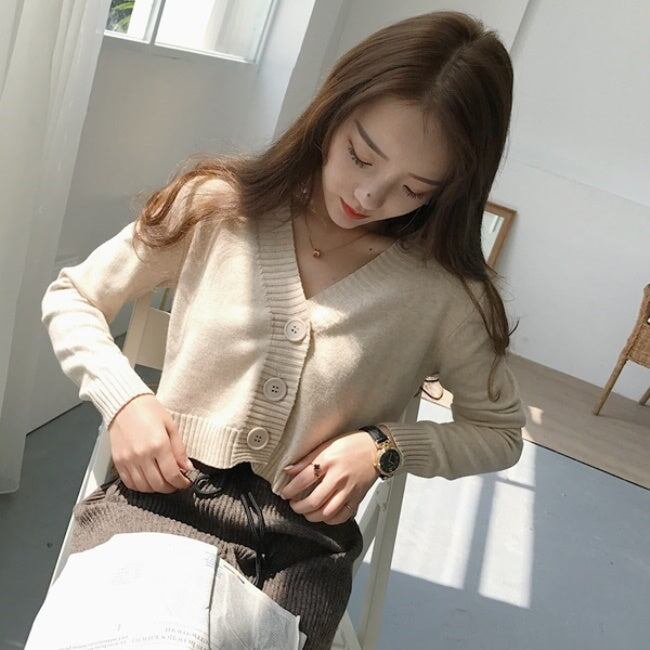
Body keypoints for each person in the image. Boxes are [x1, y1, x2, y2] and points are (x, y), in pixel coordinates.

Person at [40, 10, 527, 649]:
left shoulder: (446, 297)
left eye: (413, 189)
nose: (369, 196)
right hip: (158, 497)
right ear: (332, 111)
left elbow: (500, 432)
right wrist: (124, 399)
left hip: (302, 548)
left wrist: (384, 447)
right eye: (360, 155)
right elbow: (73, 296)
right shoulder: (216, 206)